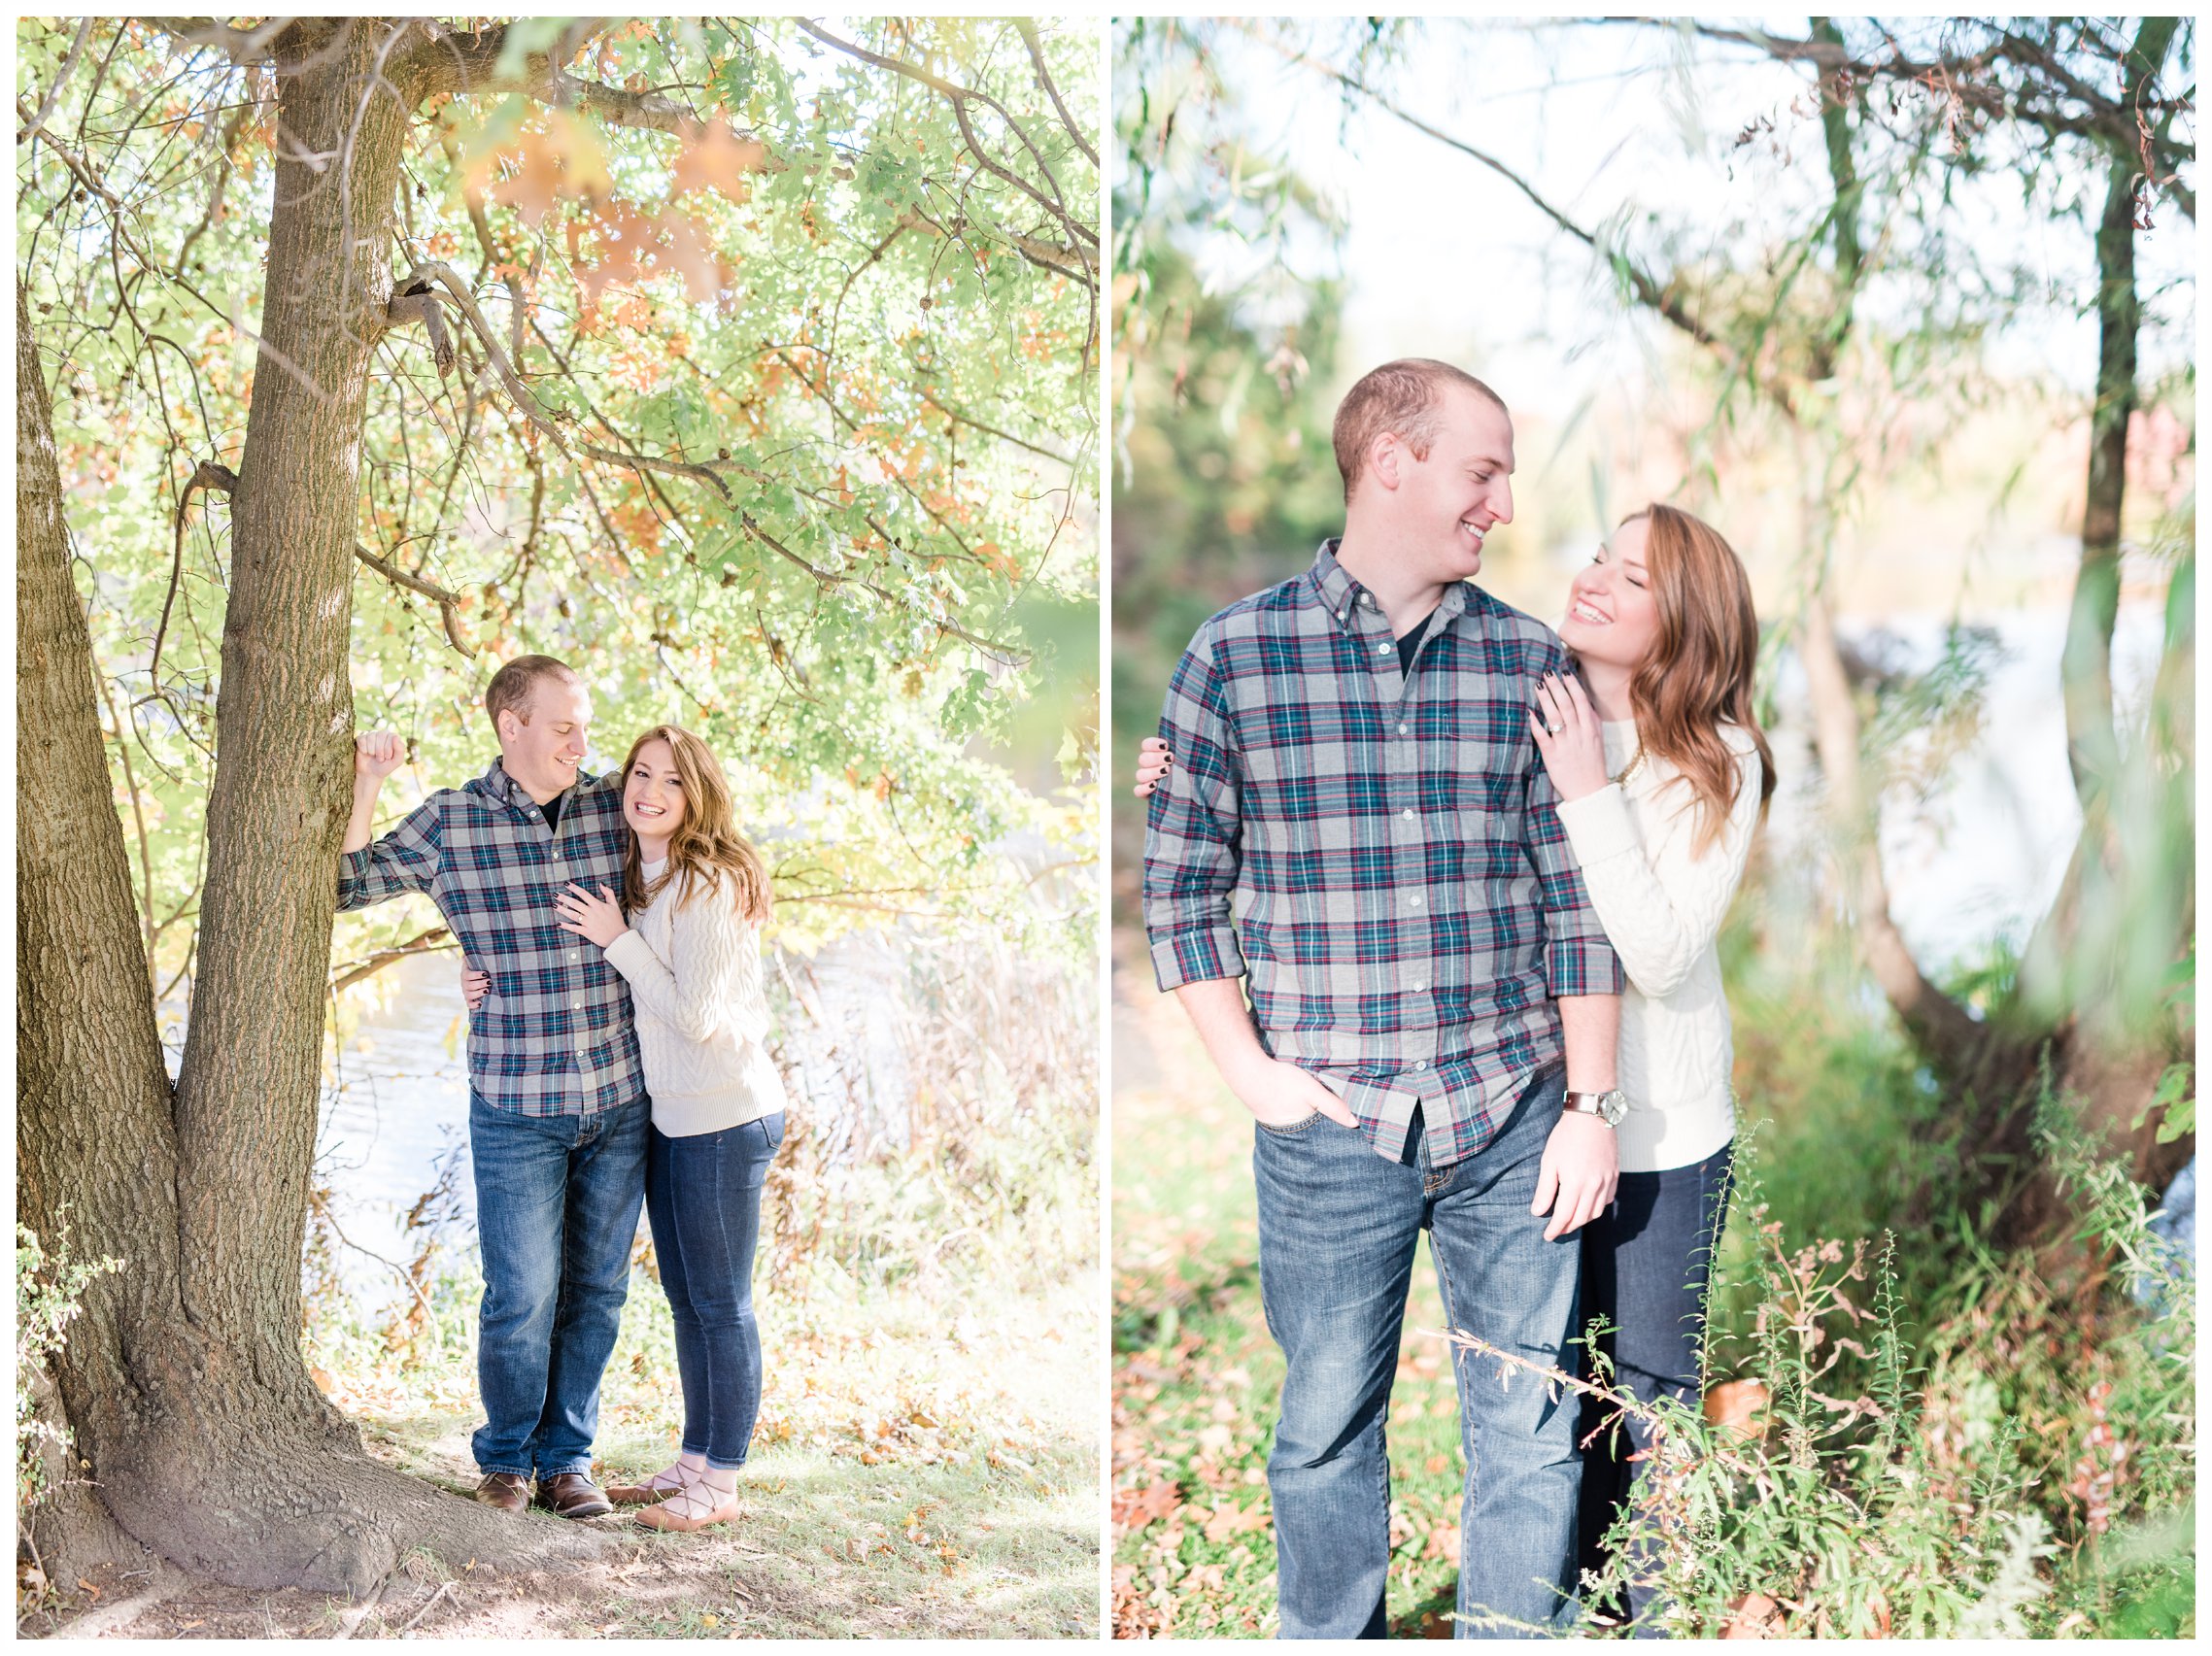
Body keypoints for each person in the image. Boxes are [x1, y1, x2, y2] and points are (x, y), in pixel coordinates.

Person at [1140, 503, 1773, 1636]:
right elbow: (1383, 808)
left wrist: (1587, 788)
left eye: (1631, 581)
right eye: (1599, 561)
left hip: (1654, 1125)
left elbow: (1657, 952)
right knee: (1550, 1400)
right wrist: (1194, 764)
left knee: (1642, 1392)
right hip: (1528, 1102)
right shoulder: (1537, 691)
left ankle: (1649, 1611)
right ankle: (1556, 1602)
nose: (1591, 582)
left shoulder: (1711, 762)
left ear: (1685, 625)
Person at [1140, 357, 1628, 1639]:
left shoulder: (1529, 661)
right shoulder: (1235, 659)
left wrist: (1587, 1103)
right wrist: (1253, 1077)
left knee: (1525, 1435)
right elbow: (1180, 891)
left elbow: (1579, 907)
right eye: (1484, 471)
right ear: (1390, 464)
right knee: (1320, 1434)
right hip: (1328, 1127)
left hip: (1511, 1114)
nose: (1504, 506)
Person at [343, 655, 643, 1521]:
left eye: (584, 726)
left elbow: (691, 881)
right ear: (511, 726)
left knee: (598, 1289)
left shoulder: (610, 806)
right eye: (563, 727)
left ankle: (569, 1461)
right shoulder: (452, 821)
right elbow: (345, 884)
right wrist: (367, 781)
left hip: (621, 1096)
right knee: (522, 1293)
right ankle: (507, 1460)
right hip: (515, 1100)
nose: (581, 744)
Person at [465, 725, 787, 1533]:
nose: (648, 791)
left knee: (721, 1304)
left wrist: (620, 942)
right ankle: (693, 1462)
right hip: (671, 1119)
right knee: (687, 1300)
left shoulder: (707, 882)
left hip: (724, 1114)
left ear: (698, 795)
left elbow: (699, 1016)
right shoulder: (646, 872)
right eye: (639, 773)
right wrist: (476, 975)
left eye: (671, 782)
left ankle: (720, 1482)